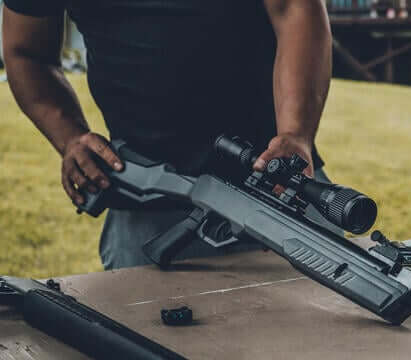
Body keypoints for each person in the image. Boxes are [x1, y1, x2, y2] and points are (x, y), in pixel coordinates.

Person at [2, 0, 338, 269]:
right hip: (147, 195)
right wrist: (70, 138)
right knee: (150, 330)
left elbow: (295, 8)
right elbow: (24, 51)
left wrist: (295, 133)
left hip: (281, 188)